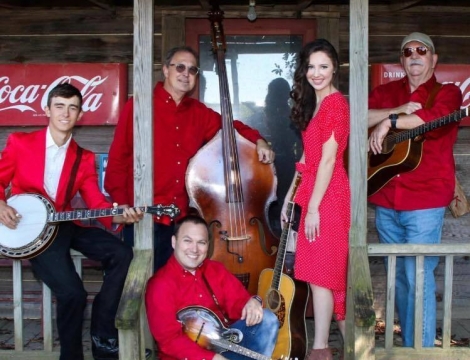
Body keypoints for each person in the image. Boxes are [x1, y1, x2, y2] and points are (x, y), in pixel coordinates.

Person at [0, 83, 144, 360]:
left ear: (80, 115)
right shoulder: (20, 143)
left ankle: (103, 333)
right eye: (60, 106)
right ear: (47, 110)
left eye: (73, 108)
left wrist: (121, 213)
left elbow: (97, 205)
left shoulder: (84, 157)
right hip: (30, 230)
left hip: (65, 223)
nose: (66, 113)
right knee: (73, 294)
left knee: (122, 252)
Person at [104, 45, 275, 273]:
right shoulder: (138, 106)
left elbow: (231, 128)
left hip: (179, 220)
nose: (186, 73)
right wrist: (123, 204)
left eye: (193, 70)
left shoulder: (198, 113)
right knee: (138, 285)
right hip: (142, 217)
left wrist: (259, 140)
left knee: (174, 287)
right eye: (180, 67)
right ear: (166, 70)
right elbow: (118, 158)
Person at [368, 32, 462, 347]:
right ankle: (410, 345)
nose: (414, 55)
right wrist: (387, 116)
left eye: (422, 50)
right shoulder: (385, 92)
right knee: (400, 280)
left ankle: (418, 351)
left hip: (425, 201)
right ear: (402, 60)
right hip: (385, 197)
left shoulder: (446, 93)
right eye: (407, 52)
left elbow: (437, 119)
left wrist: (392, 121)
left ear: (433, 59)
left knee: (418, 278)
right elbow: (358, 117)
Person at [282, 39, 350, 360]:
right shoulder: (316, 105)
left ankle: (320, 349)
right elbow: (307, 157)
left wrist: (311, 209)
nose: (316, 73)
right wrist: (289, 197)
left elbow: (327, 160)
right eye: (311, 67)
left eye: (323, 66)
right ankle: (338, 347)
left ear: (335, 68)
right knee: (318, 275)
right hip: (312, 192)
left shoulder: (336, 104)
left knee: (323, 276)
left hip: (329, 196)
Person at [145, 214, 279, 359]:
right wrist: (210, 358)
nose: (194, 249)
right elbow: (169, 341)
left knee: (267, 319)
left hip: (223, 345)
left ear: (208, 245)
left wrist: (252, 302)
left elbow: (238, 302)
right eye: (187, 241)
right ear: (173, 241)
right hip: (187, 356)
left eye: (201, 242)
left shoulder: (215, 269)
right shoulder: (160, 285)